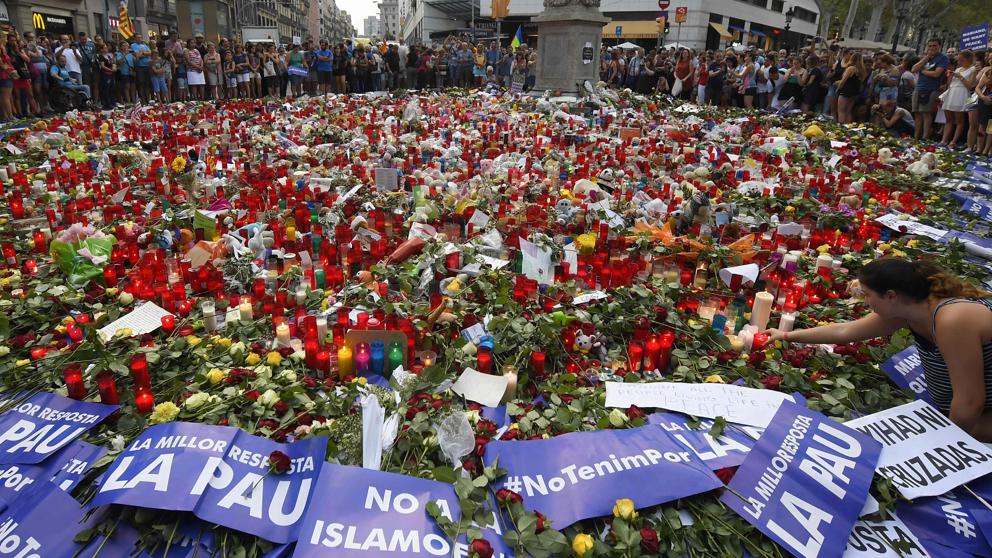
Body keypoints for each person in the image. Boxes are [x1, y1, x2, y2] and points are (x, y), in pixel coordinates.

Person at [763, 258, 992, 441]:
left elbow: (970, 401)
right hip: (960, 411)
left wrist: (945, 446)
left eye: (867, 295)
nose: (865, 302)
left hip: (979, 416)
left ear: (891, 295)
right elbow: (845, 331)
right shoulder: (907, 311)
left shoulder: (952, 320)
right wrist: (786, 335)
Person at [912, 39, 949, 140]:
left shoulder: (943, 58)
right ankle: (916, 136)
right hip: (919, 87)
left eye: (934, 46)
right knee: (917, 112)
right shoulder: (925, 57)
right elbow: (914, 69)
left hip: (931, 89)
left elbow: (936, 73)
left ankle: (925, 137)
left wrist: (923, 71)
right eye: (930, 46)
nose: (932, 48)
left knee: (926, 113)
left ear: (939, 46)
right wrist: (926, 58)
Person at [940, 49, 977, 149]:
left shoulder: (973, 69)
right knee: (949, 119)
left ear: (968, 59)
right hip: (952, 92)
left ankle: (954, 141)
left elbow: (970, 86)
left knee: (959, 120)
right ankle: (944, 140)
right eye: (958, 60)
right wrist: (949, 76)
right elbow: (949, 84)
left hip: (962, 93)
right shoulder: (957, 69)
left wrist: (960, 77)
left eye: (961, 60)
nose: (959, 62)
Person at [835, 50, 867, 124]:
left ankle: (842, 126)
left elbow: (843, 81)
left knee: (841, 110)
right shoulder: (861, 70)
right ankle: (848, 126)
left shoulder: (851, 68)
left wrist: (838, 89)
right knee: (848, 111)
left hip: (846, 91)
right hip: (854, 92)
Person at [130, 34, 152, 102]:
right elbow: (137, 55)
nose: (139, 39)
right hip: (139, 66)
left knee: (147, 83)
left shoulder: (144, 45)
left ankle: (148, 99)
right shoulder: (133, 45)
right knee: (141, 83)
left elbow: (150, 53)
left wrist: (143, 53)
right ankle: (142, 100)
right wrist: (144, 55)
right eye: (138, 37)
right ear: (135, 39)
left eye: (140, 37)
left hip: (147, 66)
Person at [97, 42, 116, 110]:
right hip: (105, 74)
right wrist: (110, 70)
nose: (106, 49)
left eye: (106, 48)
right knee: (106, 89)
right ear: (101, 49)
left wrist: (114, 66)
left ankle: (113, 102)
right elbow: (102, 66)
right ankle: (107, 103)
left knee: (111, 88)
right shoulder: (101, 56)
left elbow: (112, 63)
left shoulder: (108, 56)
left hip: (111, 74)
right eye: (104, 48)